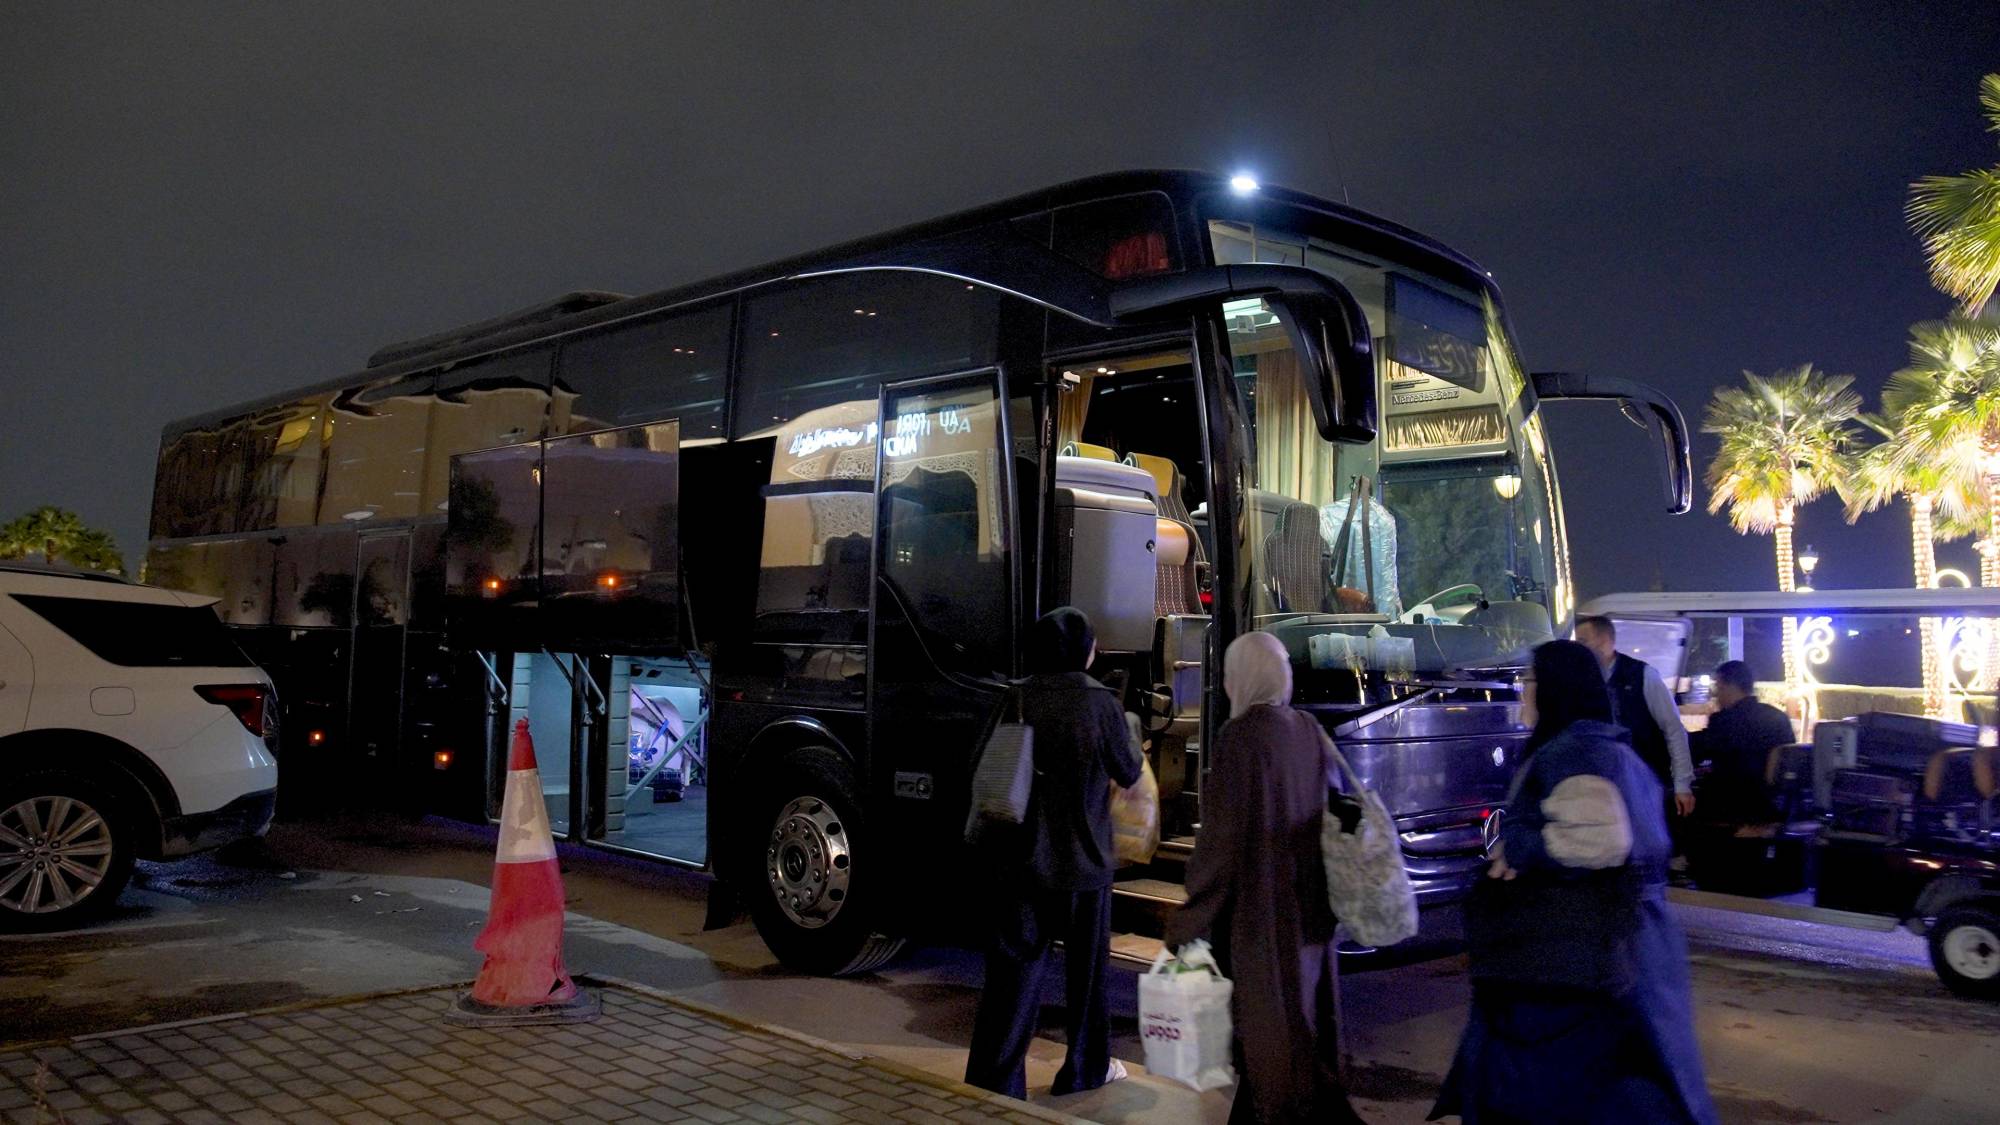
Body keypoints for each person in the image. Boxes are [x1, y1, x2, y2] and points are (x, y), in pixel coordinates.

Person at [1431, 640, 1716, 1124]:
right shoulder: (1613, 751)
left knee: (1559, 1093)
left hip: (1570, 961)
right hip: (1624, 950)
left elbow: (1598, 839)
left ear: (1555, 687)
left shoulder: (1575, 751)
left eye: (1530, 680)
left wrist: (1516, 847)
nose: (1523, 690)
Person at [1165, 632, 1364, 1125]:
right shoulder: (1308, 728)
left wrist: (1190, 916)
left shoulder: (1240, 739)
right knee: (1303, 1030)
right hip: (1312, 911)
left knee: (1271, 1040)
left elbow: (1221, 842)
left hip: (1262, 915)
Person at [965, 607, 1143, 1100]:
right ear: (1083, 648)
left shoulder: (1017, 696)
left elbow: (984, 762)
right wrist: (1129, 726)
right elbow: (1127, 771)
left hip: (1018, 858)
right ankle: (1084, 1070)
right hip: (1084, 863)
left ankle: (996, 1081)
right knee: (1086, 978)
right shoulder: (1100, 701)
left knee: (1012, 975)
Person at [1575, 615, 1695, 869]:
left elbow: (1674, 730)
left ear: (1605, 641)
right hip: (1604, 786)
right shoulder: (1583, 684)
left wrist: (1682, 783)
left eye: (1583, 642)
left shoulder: (1643, 676)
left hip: (1645, 780)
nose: (1579, 649)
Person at [1691, 660, 1797, 827]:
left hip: (1732, 809)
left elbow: (1697, 751)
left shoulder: (1724, 721)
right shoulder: (1779, 718)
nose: (1716, 694)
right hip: (1770, 808)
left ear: (1728, 686)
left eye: (1717, 686)